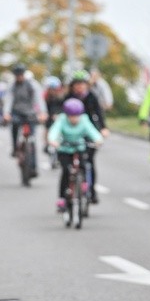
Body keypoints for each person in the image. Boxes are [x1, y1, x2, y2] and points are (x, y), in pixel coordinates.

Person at [47, 98, 103, 213]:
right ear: (66, 115)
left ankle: (84, 185)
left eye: (76, 115)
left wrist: (98, 140)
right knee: (66, 172)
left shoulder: (84, 120)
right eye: (71, 116)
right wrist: (53, 141)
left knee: (84, 166)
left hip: (79, 148)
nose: (74, 119)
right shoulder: (61, 120)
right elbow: (54, 131)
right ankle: (62, 198)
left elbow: (92, 131)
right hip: (65, 149)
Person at [65, 70, 109, 203]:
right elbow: (60, 113)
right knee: (68, 165)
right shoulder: (68, 97)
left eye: (82, 84)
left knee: (89, 161)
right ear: (72, 86)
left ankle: (91, 190)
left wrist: (103, 128)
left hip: (89, 130)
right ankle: (69, 190)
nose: (79, 87)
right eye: (77, 84)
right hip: (72, 132)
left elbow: (99, 113)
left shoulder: (91, 96)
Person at [3, 63, 47, 167]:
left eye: (21, 74)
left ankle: (33, 166)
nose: (19, 77)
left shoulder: (32, 84)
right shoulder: (12, 85)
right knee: (14, 126)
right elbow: (8, 100)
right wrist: (6, 113)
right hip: (16, 112)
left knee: (32, 140)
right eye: (17, 75)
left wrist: (42, 112)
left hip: (30, 113)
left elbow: (39, 99)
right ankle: (15, 148)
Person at [43, 76, 65, 153]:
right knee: (47, 126)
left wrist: (58, 114)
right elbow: (43, 106)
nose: (52, 91)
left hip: (59, 114)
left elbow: (63, 107)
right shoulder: (45, 96)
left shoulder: (61, 96)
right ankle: (47, 143)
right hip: (49, 114)